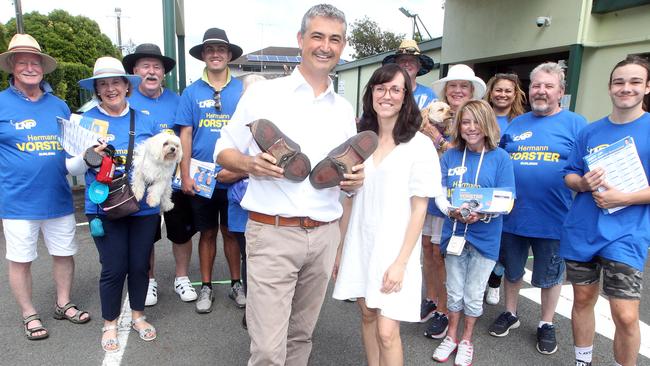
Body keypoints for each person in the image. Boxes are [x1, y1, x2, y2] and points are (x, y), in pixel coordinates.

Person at [215, 4, 364, 365]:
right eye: (317, 36)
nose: (325, 46)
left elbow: (346, 181)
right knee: (267, 348)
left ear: (342, 46)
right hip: (272, 233)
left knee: (300, 337)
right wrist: (251, 164)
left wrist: (354, 180)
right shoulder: (263, 94)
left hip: (325, 234)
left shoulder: (344, 109)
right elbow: (223, 150)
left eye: (334, 39)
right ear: (300, 40)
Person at [332, 63, 441, 366]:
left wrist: (401, 263)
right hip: (360, 242)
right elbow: (348, 199)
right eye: (381, 88)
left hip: (396, 251)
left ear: (406, 97)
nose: (387, 95)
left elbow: (420, 209)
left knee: (387, 330)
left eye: (396, 89)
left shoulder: (420, 146)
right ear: (371, 94)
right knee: (367, 315)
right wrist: (340, 250)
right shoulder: (359, 142)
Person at [490, 62, 587, 355]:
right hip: (513, 216)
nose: (541, 91)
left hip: (554, 218)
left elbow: (586, 166)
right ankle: (511, 313)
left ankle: (546, 323)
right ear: (529, 89)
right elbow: (499, 161)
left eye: (548, 86)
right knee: (512, 271)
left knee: (550, 275)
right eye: (536, 86)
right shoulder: (517, 124)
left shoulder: (576, 123)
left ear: (560, 91)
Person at [561, 55, 650, 366]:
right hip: (583, 229)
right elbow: (569, 175)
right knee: (583, 299)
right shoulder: (590, 132)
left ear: (647, 87)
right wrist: (583, 183)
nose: (626, 88)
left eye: (635, 81)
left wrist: (623, 197)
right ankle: (582, 361)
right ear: (610, 88)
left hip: (626, 234)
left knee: (625, 314)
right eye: (619, 82)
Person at [0, 33, 90, 341]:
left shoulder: (60, 106)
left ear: (42, 67)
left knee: (64, 253)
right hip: (17, 201)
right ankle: (29, 313)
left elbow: (72, 156)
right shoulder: (1, 103)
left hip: (58, 197)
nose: (29, 67)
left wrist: (89, 156)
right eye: (22, 62)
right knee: (21, 260)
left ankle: (63, 303)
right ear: (12, 66)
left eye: (34, 62)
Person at [73, 56, 158, 352]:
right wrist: (86, 155)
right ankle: (109, 322)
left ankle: (137, 316)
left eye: (115, 82)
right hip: (103, 207)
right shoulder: (84, 122)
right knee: (113, 267)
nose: (111, 89)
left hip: (143, 206)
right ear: (97, 89)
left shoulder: (145, 118)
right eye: (103, 84)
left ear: (126, 85)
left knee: (138, 265)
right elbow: (70, 167)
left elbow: (162, 159)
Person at [431, 99, 515, 366]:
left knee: (474, 292)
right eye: (465, 122)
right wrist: (450, 211)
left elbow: (507, 199)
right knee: (454, 291)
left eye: (476, 121)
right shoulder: (451, 155)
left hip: (486, 237)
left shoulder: (500, 158)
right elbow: (440, 193)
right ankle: (452, 336)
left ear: (488, 124)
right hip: (454, 234)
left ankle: (467, 339)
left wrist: (485, 212)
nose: (471, 127)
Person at [175, 28, 246, 313]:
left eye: (221, 49)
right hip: (202, 179)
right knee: (206, 233)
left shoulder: (242, 90)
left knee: (231, 232)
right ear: (203, 55)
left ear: (229, 55)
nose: (215, 54)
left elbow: (252, 132)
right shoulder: (191, 92)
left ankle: (236, 284)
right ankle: (205, 287)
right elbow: (186, 136)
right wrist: (185, 175)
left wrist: (243, 170)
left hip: (233, 178)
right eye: (210, 50)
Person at [123, 43, 198, 306]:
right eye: (145, 66)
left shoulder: (177, 100)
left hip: (175, 180)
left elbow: (188, 137)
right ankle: (150, 281)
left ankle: (182, 277)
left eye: (157, 67)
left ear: (163, 72)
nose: (151, 72)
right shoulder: (127, 101)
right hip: (144, 180)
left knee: (181, 232)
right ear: (135, 70)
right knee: (147, 235)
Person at [421, 64, 486, 339]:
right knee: (427, 248)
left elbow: (467, 149)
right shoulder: (433, 115)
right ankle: (433, 300)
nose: (457, 91)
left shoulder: (475, 118)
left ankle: (446, 310)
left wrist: (434, 137)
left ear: (472, 92)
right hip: (428, 190)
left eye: (464, 86)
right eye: (453, 86)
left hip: (457, 196)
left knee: (444, 253)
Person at [482, 72, 527, 305]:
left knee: (504, 244)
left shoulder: (521, 121)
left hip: (509, 188)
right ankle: (479, 282)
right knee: (485, 236)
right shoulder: (482, 115)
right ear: (491, 91)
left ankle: (494, 282)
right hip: (483, 186)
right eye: (498, 89)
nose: (503, 94)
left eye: (508, 90)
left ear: (515, 94)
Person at [382, 39, 436, 109]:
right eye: (402, 60)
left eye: (412, 60)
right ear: (396, 65)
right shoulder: (383, 92)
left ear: (419, 66)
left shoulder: (429, 95)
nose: (407, 64)